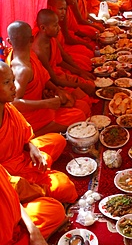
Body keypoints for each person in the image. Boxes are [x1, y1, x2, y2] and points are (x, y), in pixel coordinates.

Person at [0, 62, 77, 203]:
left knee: (58, 140)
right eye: (6, 82)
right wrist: (40, 190)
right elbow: (6, 182)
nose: (13, 87)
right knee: (64, 189)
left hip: (21, 158)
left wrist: (32, 149)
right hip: (12, 179)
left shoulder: (9, 108)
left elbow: (24, 137)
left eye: (12, 80)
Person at [7, 20, 90, 136]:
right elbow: (13, 103)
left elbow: (44, 77)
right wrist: (46, 103)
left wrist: (57, 90)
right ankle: (31, 133)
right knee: (80, 115)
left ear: (9, 41)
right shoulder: (22, 70)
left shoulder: (31, 55)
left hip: (41, 103)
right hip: (30, 115)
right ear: (32, 39)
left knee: (83, 105)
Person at [32, 9, 95, 97]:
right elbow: (55, 80)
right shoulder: (39, 51)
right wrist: (82, 86)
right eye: (55, 25)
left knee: (89, 81)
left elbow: (61, 60)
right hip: (52, 82)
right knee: (83, 99)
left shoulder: (51, 38)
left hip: (58, 73)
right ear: (43, 28)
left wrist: (80, 72)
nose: (59, 27)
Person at [47, 0, 93, 70]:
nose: (63, 12)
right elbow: (60, 57)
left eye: (64, 9)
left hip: (62, 51)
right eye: (60, 9)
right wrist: (78, 71)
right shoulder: (47, 27)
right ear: (50, 8)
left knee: (88, 54)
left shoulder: (59, 19)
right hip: (58, 60)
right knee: (86, 62)